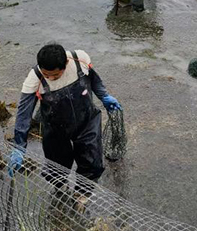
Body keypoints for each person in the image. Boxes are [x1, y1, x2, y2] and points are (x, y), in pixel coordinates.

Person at [8, 43, 121, 184]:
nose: (50, 78)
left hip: (86, 121)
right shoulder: (34, 78)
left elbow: (93, 79)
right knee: (57, 168)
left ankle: (81, 196)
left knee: (92, 164)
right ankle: (60, 191)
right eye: (46, 75)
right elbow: (24, 113)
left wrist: (104, 96)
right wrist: (19, 146)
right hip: (56, 128)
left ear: (66, 64)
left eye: (55, 75)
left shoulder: (79, 59)